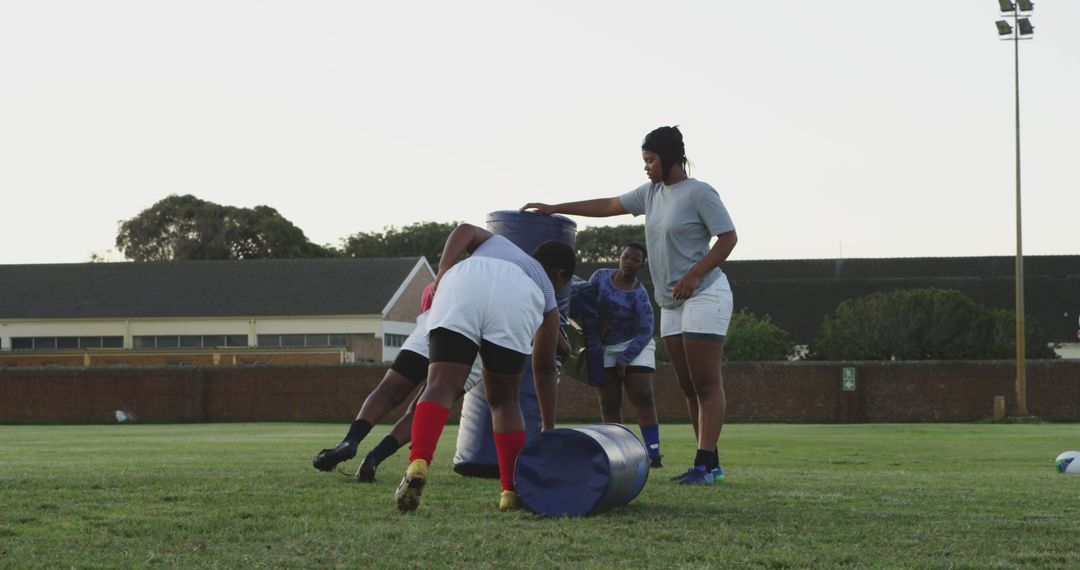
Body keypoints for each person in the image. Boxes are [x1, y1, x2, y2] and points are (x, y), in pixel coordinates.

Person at [522, 125, 738, 485]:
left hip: (705, 293)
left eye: (651, 160)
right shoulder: (650, 194)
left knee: (705, 383)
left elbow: (728, 237)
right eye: (645, 160)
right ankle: (710, 462)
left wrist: (696, 274)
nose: (647, 167)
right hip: (671, 302)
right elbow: (607, 205)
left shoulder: (700, 193)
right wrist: (553, 209)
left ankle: (704, 465)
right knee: (687, 386)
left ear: (669, 158)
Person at [395, 223, 575, 513]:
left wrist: (443, 270)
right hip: (519, 297)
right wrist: (548, 426)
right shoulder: (545, 288)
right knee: (505, 402)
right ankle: (510, 491)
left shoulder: (498, 243)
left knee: (440, 384)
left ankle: (419, 461)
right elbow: (543, 368)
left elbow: (465, 229)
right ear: (559, 274)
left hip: (464, 281)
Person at [311, 283, 483, 482]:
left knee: (389, 389)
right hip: (477, 341)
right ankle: (375, 457)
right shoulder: (516, 272)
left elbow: (430, 295)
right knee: (426, 408)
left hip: (436, 321)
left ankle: (350, 441)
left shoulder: (450, 275)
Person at [585, 242, 663, 468]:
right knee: (609, 403)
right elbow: (585, 302)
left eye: (635, 260)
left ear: (641, 265)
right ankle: (617, 453)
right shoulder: (600, 277)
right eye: (626, 257)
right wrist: (595, 327)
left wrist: (625, 359)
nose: (629, 262)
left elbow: (646, 329)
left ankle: (653, 453)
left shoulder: (639, 294)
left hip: (634, 344)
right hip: (604, 345)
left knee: (642, 395)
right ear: (619, 257)